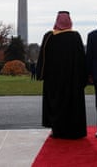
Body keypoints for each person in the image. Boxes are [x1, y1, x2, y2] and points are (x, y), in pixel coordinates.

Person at [36, 11, 87, 139]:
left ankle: (57, 130)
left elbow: (43, 58)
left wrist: (41, 75)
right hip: (72, 79)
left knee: (56, 104)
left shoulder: (49, 37)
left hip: (54, 80)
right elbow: (82, 59)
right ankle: (74, 131)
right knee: (72, 104)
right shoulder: (75, 37)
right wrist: (83, 77)